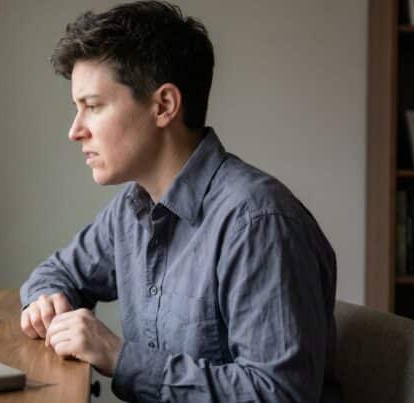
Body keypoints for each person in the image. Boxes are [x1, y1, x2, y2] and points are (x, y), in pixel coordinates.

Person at [19, 1, 341, 402]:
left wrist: (119, 358)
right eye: (77, 108)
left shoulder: (258, 222)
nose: (75, 131)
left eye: (93, 106)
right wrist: (46, 302)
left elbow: (277, 394)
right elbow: (57, 272)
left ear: (164, 106)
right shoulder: (131, 209)